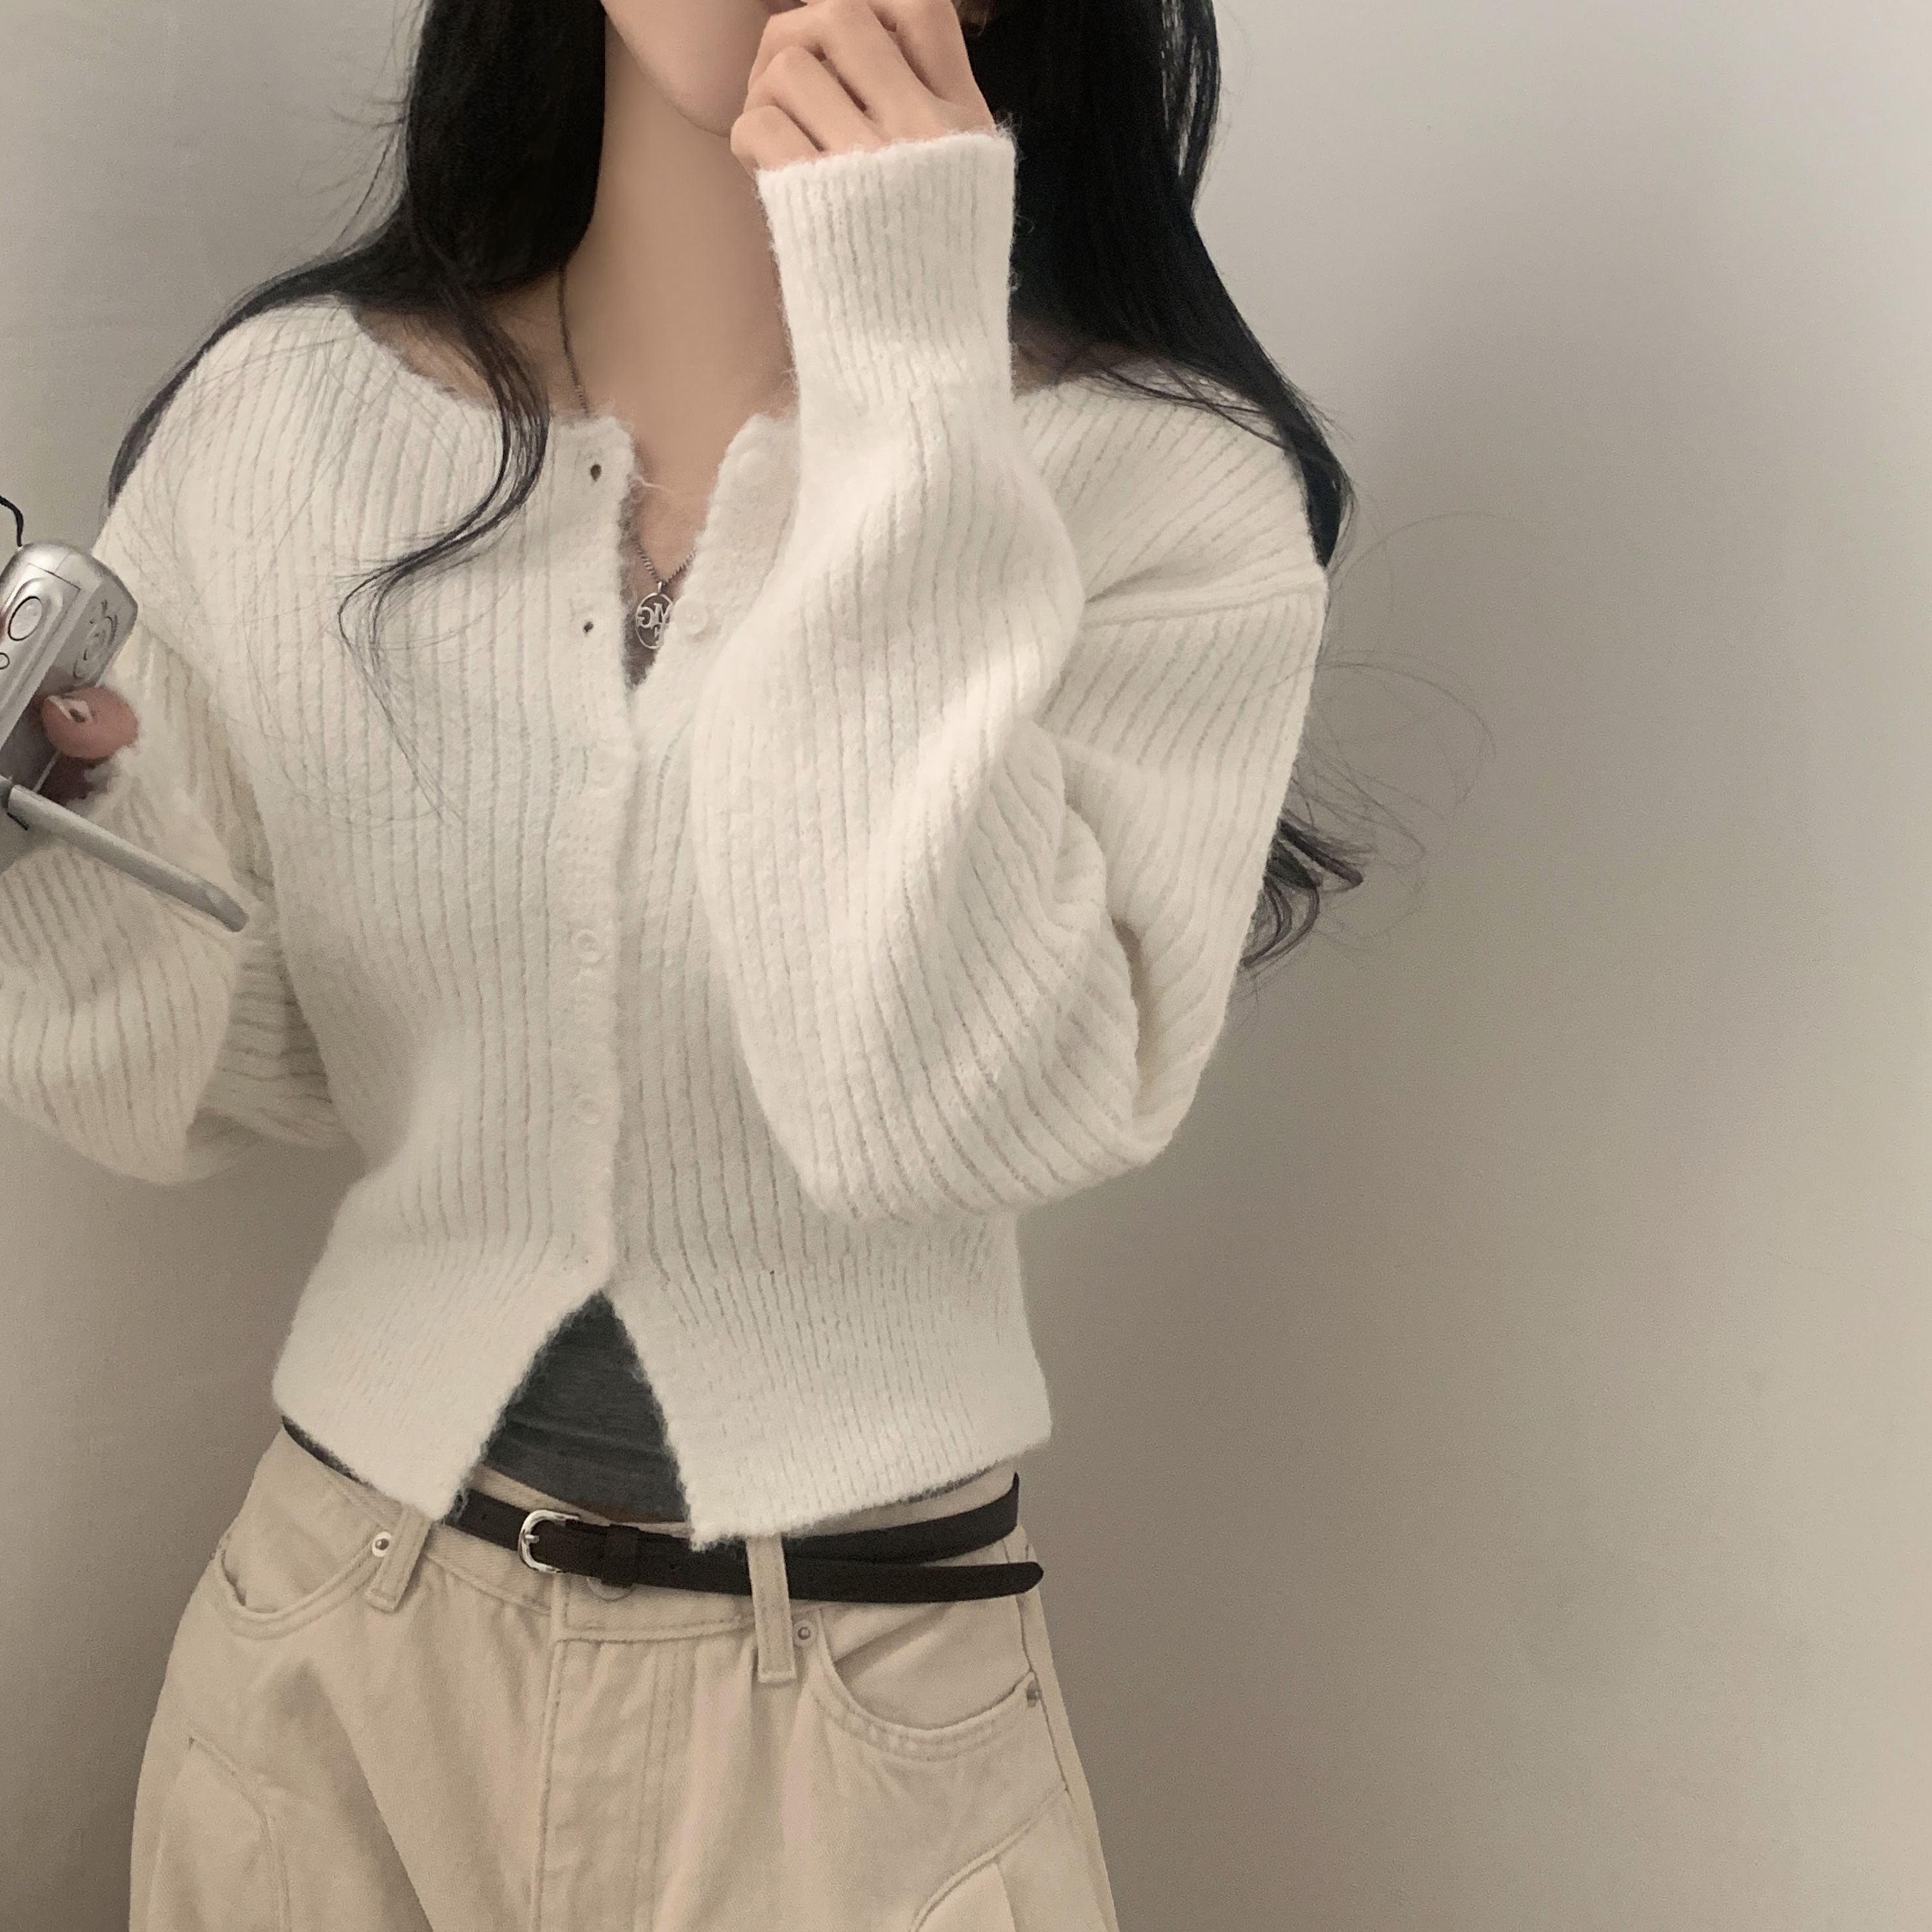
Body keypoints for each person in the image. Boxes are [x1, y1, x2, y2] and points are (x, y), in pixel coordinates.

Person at [12, 0, 1363, 1925]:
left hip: (856, 1713)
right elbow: (215, 1078)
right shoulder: (281, 420)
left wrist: (907, 374)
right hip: (332, 1657)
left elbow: (940, 1109)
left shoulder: (1166, 486)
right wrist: (52, 856)